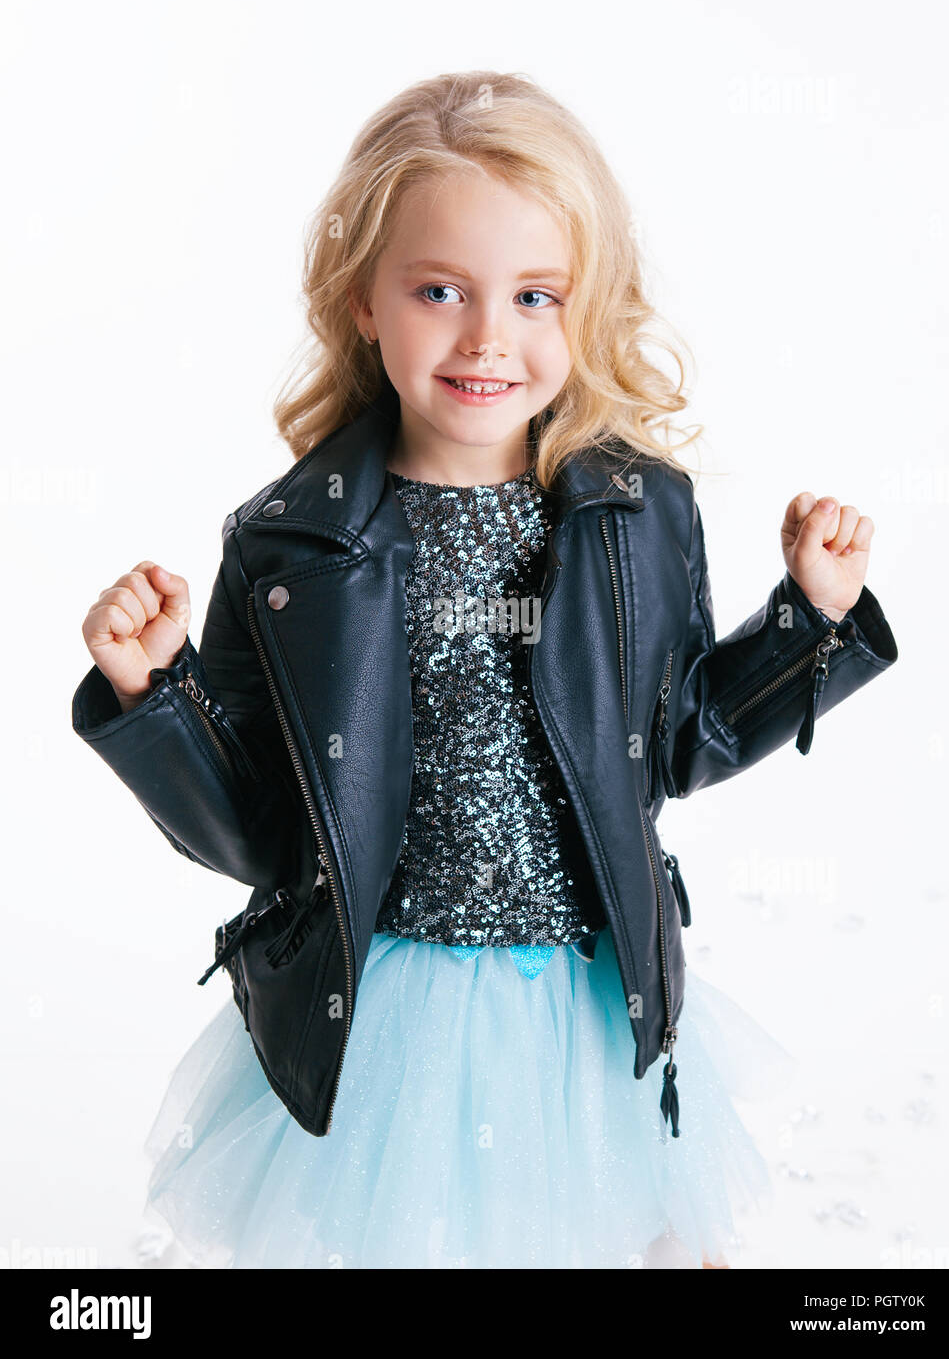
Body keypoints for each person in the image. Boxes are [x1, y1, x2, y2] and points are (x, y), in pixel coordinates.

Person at [72, 70, 898, 1269]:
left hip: (585, 990)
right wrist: (161, 698)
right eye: (442, 289)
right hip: (386, 1013)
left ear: (587, 306)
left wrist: (808, 621)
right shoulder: (292, 542)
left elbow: (682, 742)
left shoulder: (636, 514)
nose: (487, 338)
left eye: (534, 295)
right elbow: (259, 832)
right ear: (364, 298)